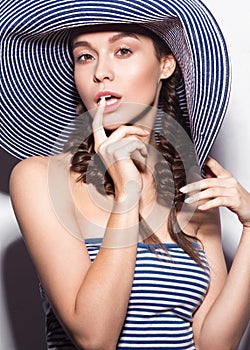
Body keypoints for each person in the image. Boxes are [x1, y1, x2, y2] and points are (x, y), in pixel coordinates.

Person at [1, 0, 250, 349]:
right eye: (85, 56)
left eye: (122, 50)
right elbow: (94, 337)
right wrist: (127, 195)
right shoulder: (39, 178)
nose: (101, 71)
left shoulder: (193, 189)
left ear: (165, 64)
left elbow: (214, 344)